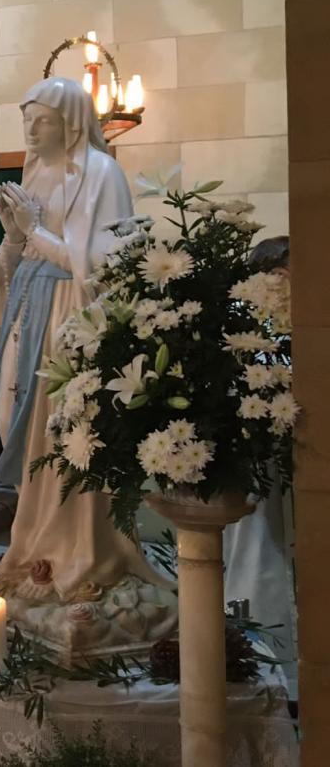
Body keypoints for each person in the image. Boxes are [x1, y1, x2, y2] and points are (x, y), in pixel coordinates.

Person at [0, 77, 164, 597]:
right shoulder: (36, 173)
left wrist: (34, 232)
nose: (31, 131)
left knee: (66, 431)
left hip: (71, 316)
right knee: (21, 418)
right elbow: (25, 251)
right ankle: (33, 542)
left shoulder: (101, 174)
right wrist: (16, 234)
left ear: (72, 123)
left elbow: (100, 265)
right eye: (26, 121)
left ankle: (79, 547)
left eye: (40, 121)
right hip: (31, 307)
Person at [225, 235, 296, 697]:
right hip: (257, 468)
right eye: (283, 279)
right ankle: (268, 668)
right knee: (257, 558)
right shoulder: (245, 339)